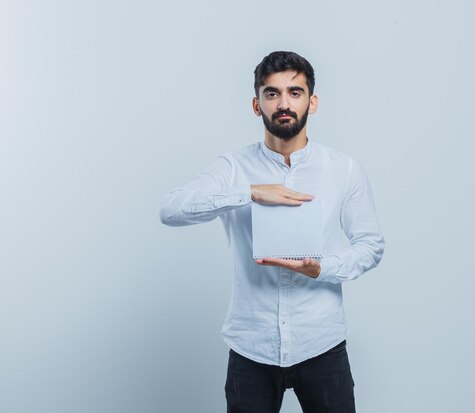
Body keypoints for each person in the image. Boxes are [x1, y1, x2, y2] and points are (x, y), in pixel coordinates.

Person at [159, 51, 384, 413]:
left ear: (312, 102)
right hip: (252, 347)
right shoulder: (233, 167)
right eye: (272, 93)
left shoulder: (343, 169)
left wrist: (321, 268)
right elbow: (170, 210)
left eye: (294, 93)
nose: (283, 103)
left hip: (321, 344)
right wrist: (248, 192)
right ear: (256, 104)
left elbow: (370, 245)